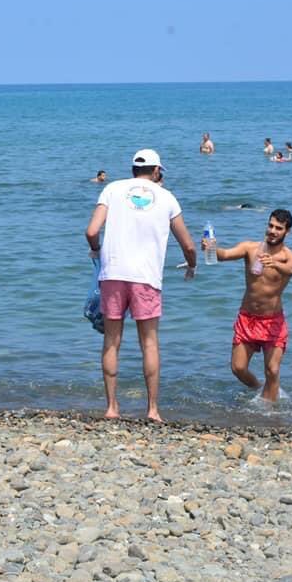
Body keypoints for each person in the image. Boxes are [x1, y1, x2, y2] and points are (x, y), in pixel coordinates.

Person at [85, 149, 197, 422]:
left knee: (112, 342)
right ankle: (152, 410)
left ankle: (112, 408)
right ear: (157, 171)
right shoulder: (167, 197)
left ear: (133, 169)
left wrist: (97, 250)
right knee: (149, 343)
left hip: (113, 274)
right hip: (146, 278)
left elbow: (91, 231)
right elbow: (189, 245)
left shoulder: (112, 189)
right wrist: (192, 264)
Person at [202, 210, 292, 402]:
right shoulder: (250, 248)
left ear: (287, 232)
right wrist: (212, 248)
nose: (272, 231)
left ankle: (269, 412)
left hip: (273, 321)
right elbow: (224, 255)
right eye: (270, 225)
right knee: (238, 368)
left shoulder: (290, 257)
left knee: (272, 370)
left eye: (278, 228)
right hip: (247, 318)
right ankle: (260, 389)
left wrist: (274, 263)